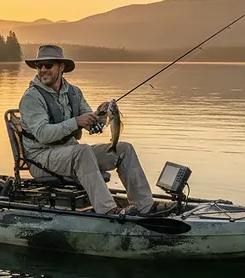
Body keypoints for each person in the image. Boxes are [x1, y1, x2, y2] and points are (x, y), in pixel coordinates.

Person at [18, 44, 156, 215]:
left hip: (69, 154)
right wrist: (76, 122)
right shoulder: (31, 97)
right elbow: (43, 134)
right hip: (40, 159)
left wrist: (101, 115)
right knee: (82, 151)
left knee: (124, 149)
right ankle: (108, 210)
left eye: (48, 65)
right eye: (40, 66)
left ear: (61, 67)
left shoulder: (74, 92)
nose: (43, 70)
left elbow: (93, 126)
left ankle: (146, 206)